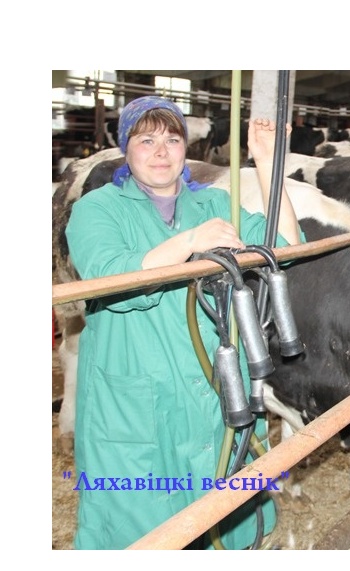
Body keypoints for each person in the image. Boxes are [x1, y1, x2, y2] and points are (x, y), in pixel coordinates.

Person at [65, 95, 303, 550]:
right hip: (134, 398)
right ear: (125, 148)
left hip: (211, 388)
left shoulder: (213, 204)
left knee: (219, 514)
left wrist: (269, 164)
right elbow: (108, 274)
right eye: (146, 140)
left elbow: (286, 247)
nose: (161, 152)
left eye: (172, 140)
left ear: (185, 149)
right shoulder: (97, 208)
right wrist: (192, 241)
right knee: (141, 527)